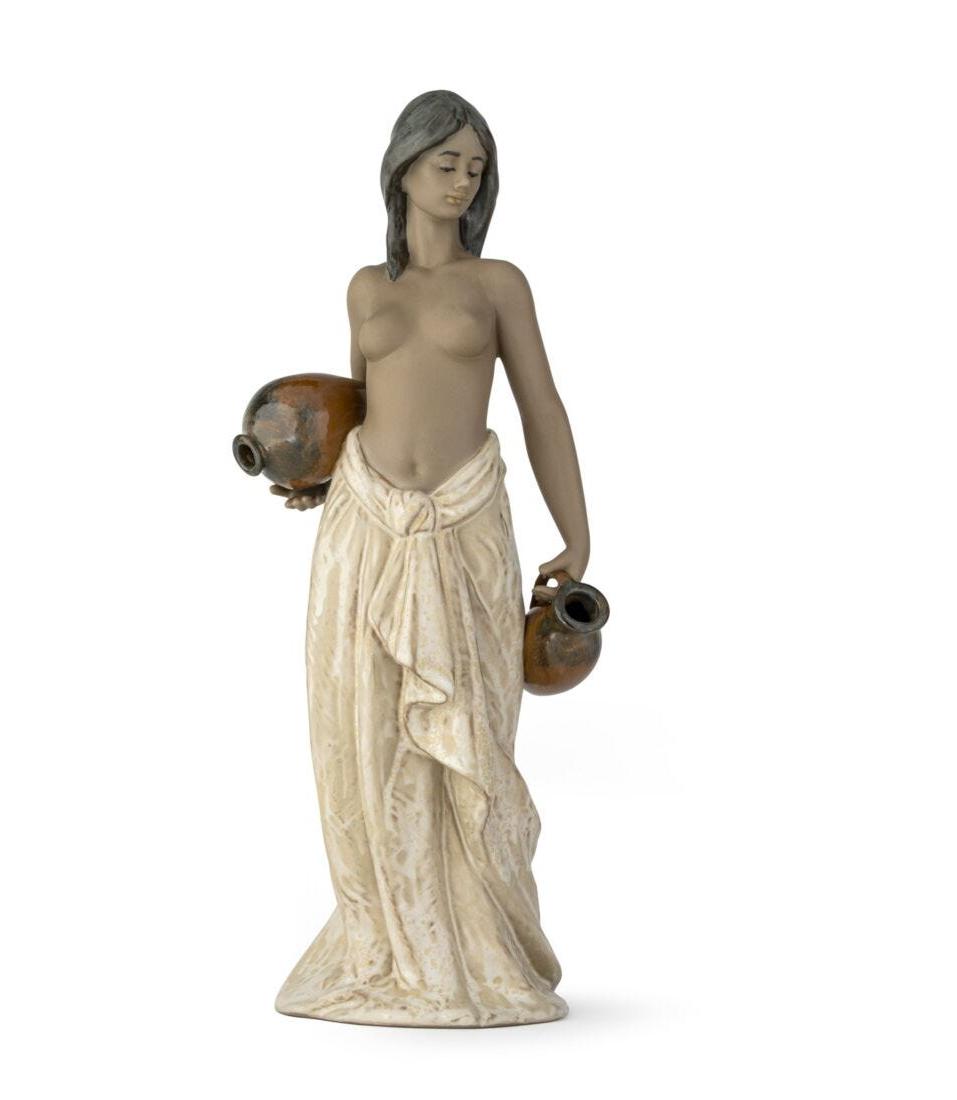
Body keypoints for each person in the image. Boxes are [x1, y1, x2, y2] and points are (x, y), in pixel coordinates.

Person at [272, 90, 590, 1027]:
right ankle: (388, 943)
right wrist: (314, 475)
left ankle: (480, 950)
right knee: (366, 734)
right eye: (446, 162)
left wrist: (577, 531)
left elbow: (542, 407)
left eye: (475, 168)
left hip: (464, 525)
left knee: (473, 736)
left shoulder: (498, 285)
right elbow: (358, 404)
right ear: (403, 168)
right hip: (363, 526)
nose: (462, 181)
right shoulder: (367, 289)